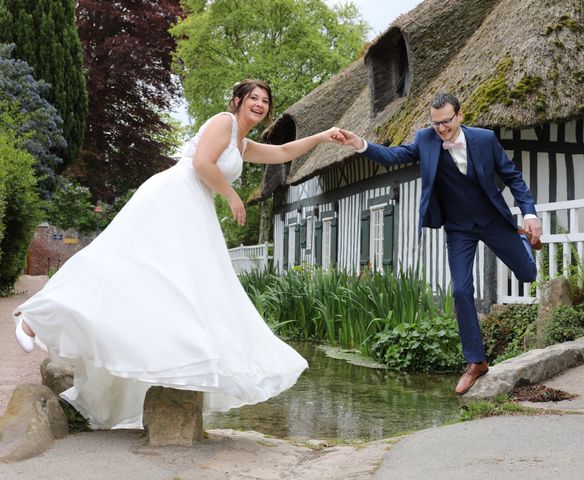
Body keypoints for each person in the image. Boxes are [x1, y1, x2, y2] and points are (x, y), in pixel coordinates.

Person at [13, 79, 346, 428]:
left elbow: (280, 153)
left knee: (171, 286)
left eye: (265, 101)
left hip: (192, 205)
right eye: (254, 98)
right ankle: (36, 318)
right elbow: (203, 163)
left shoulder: (242, 142)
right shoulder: (224, 122)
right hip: (173, 196)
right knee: (118, 263)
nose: (260, 104)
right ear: (237, 101)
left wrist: (323, 136)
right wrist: (231, 196)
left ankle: (173, 360)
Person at [338, 93, 541, 395]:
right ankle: (476, 362)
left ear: (460, 115)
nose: (442, 129)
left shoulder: (485, 139)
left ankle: (522, 241)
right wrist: (360, 144)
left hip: (494, 220)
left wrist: (529, 213)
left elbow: (513, 178)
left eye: (446, 121)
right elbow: (394, 156)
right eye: (436, 124)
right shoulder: (426, 139)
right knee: (460, 289)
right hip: (459, 228)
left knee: (528, 275)